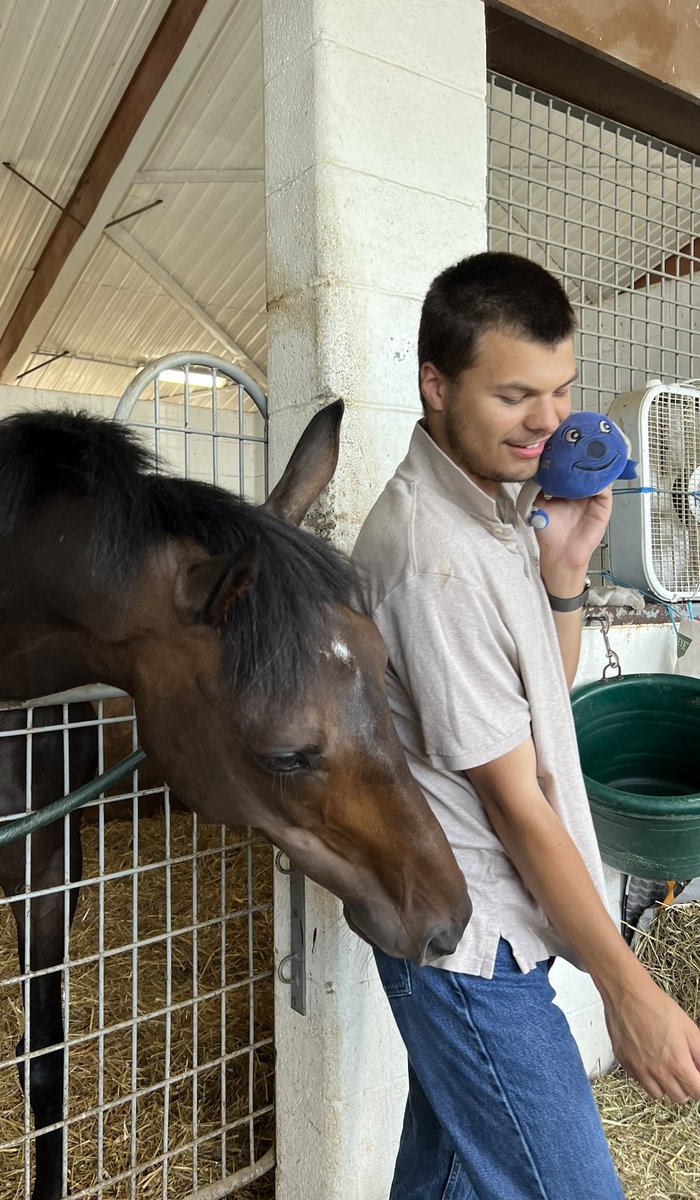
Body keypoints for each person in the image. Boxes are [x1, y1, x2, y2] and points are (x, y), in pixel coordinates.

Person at [351, 251, 700, 1200]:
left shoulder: (499, 513)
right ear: (435, 383)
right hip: (472, 946)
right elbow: (516, 802)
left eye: (560, 390)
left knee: (445, 1180)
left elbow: (541, 702)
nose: (547, 421)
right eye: (514, 395)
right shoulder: (435, 558)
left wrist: (566, 571)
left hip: (481, 923)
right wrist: (629, 991)